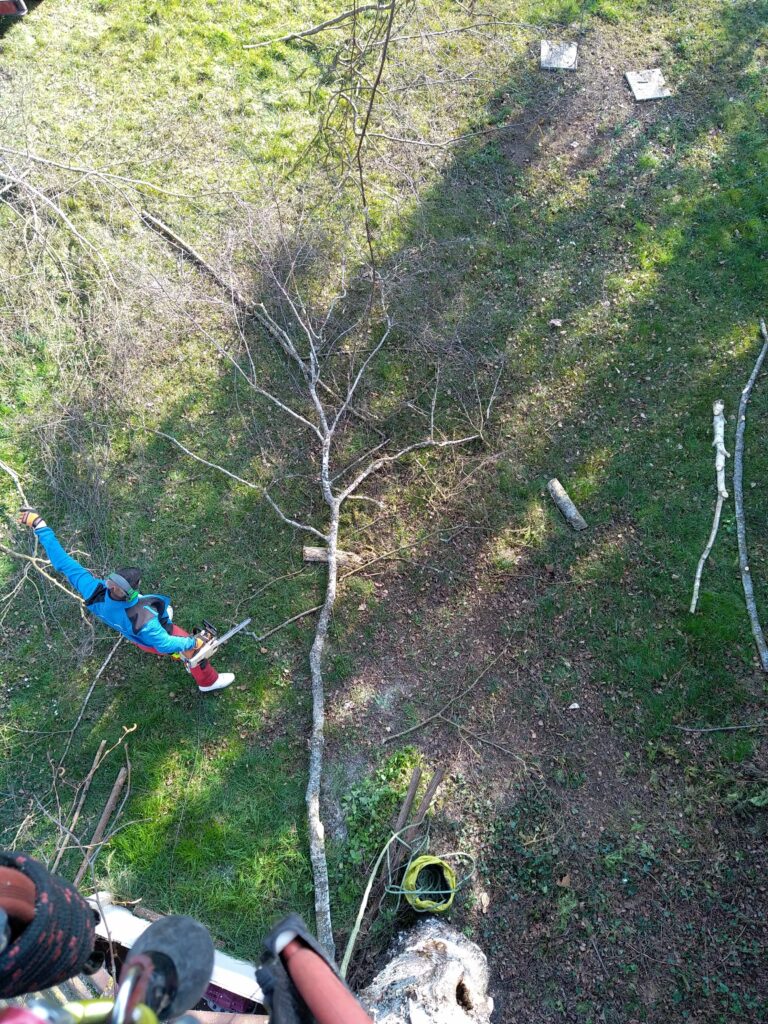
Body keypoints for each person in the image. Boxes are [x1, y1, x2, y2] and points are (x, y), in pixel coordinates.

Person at [18, 508, 235, 693]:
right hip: (149, 637)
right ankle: (208, 681)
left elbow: (62, 561)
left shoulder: (95, 591)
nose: (110, 585)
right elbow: (163, 643)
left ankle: (175, 639)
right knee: (196, 653)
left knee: (165, 618)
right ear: (132, 593)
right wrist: (193, 642)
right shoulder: (143, 618)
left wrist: (39, 524)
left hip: (133, 633)